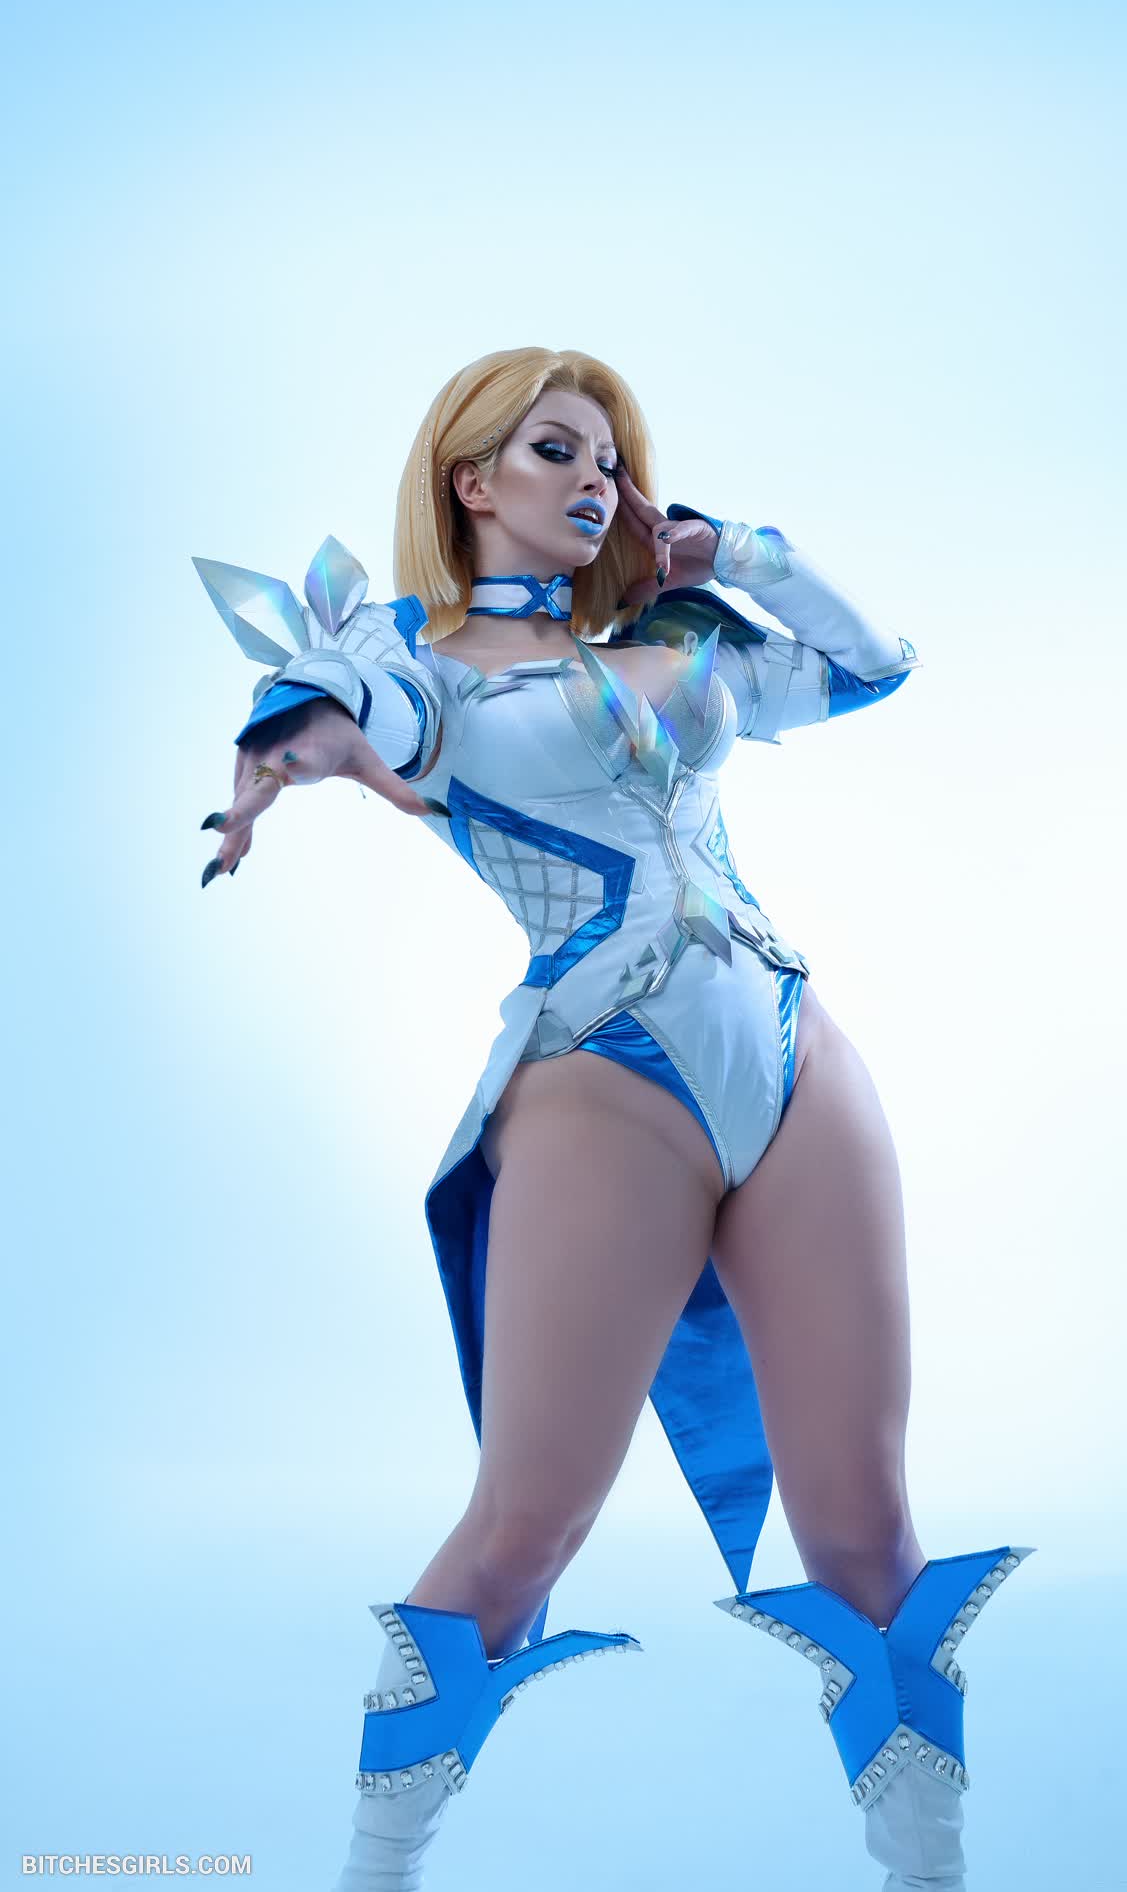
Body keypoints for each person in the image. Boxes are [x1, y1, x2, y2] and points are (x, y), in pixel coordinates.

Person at [194, 346, 1034, 1891]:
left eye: (609, 457)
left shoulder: (676, 643)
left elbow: (878, 664)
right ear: (470, 481)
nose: (593, 478)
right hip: (605, 1071)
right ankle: (376, 1868)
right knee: (527, 1529)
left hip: (791, 1051)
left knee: (869, 1534)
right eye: (554, 450)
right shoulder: (428, 670)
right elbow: (322, 708)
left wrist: (735, 553)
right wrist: (270, 766)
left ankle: (931, 1871)